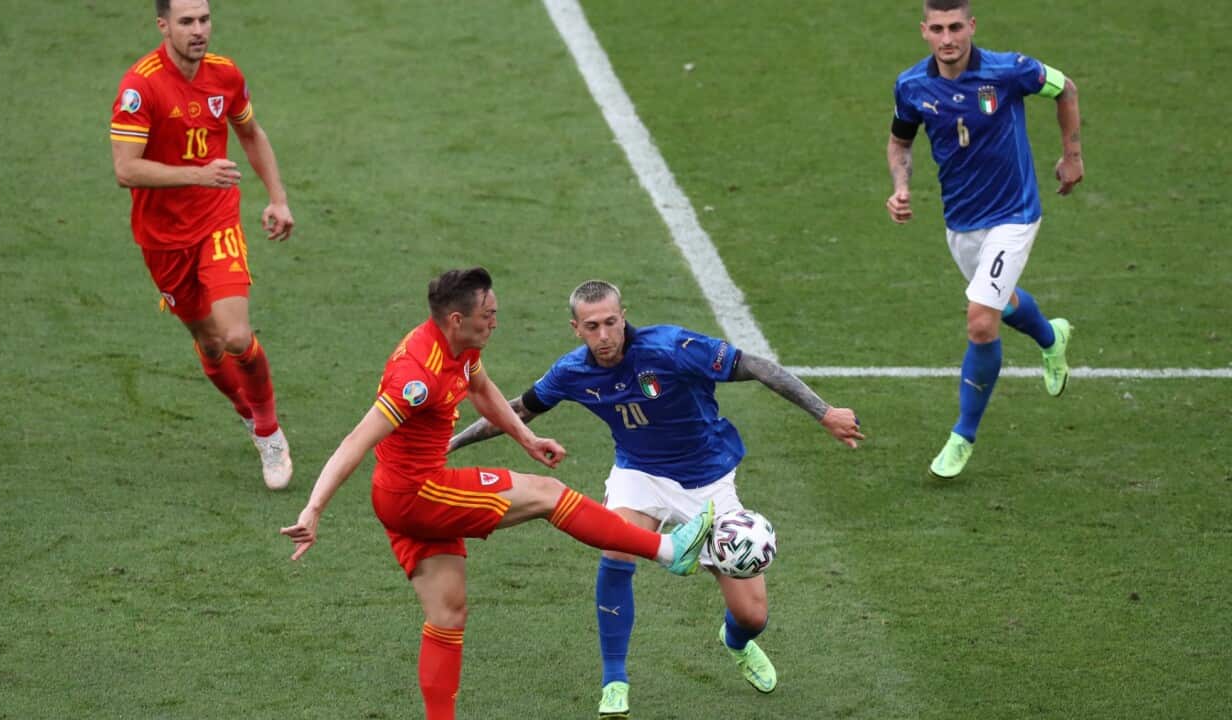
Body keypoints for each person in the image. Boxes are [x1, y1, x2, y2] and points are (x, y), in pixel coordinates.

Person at [279, 268, 715, 720]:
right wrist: (313, 509)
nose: (495, 323)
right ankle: (667, 549)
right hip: (419, 494)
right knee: (547, 494)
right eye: (487, 315)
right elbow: (356, 440)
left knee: (447, 616)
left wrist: (527, 438)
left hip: (403, 498)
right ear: (455, 318)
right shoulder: (417, 377)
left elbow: (481, 389)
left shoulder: (461, 347)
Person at [448, 280, 865, 718]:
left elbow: (758, 366)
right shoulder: (572, 371)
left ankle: (735, 641)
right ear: (576, 328)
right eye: (593, 326)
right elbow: (517, 411)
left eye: (611, 322)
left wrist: (825, 412)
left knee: (753, 615)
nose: (604, 335)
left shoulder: (671, 348)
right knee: (615, 549)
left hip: (707, 481)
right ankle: (614, 680)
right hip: (639, 474)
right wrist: (452, 443)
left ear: (623, 316)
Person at [884, 0, 1083, 478]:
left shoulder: (1010, 71)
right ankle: (1051, 336)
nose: (948, 38)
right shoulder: (912, 86)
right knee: (999, 301)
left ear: (971, 26)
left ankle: (962, 436)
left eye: (956, 27)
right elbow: (901, 141)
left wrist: (1071, 154)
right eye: (938, 29)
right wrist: (901, 187)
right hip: (962, 222)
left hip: (1014, 214)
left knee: (980, 321)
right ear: (924, 32)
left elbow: (1066, 88)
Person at [109, 0, 294, 489]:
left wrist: (278, 199)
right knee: (209, 343)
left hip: (217, 223)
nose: (199, 31)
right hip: (162, 240)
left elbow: (250, 133)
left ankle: (271, 433)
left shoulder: (225, 75)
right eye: (187, 21)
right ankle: (247, 413)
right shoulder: (140, 86)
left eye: (205, 20)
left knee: (236, 336)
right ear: (163, 25)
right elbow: (125, 170)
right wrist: (198, 173)